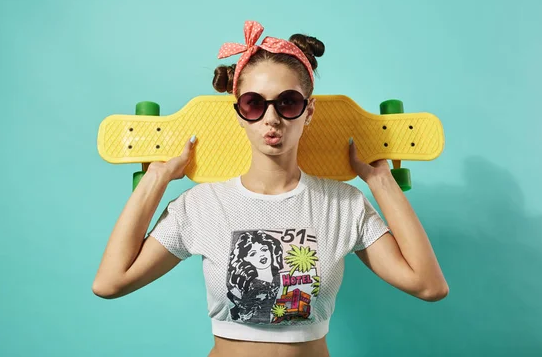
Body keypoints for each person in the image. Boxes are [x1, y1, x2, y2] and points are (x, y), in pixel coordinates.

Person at [92, 21, 449, 357]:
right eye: (254, 104)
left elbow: (429, 286)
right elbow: (110, 283)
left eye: (288, 102)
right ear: (239, 112)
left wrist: (381, 181)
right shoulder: (200, 206)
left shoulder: (344, 205)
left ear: (309, 111)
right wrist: (156, 179)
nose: (271, 118)